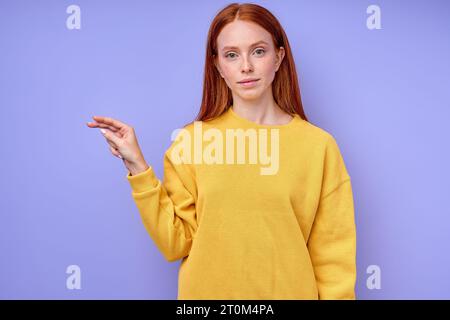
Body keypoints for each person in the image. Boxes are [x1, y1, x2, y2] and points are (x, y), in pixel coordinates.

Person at [86, 3, 356, 300]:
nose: (246, 66)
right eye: (231, 54)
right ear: (217, 65)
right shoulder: (192, 142)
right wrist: (136, 165)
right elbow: (176, 243)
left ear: (278, 57)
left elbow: (334, 261)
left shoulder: (319, 146)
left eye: (258, 51)